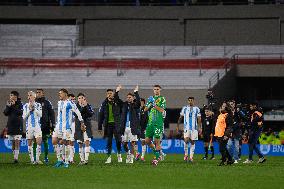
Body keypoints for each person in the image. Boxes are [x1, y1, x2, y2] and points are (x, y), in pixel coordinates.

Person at [52, 88, 85, 168]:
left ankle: (66, 161)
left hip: (66, 127)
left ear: (65, 94)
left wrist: (82, 123)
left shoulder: (70, 103)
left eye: (61, 93)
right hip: (58, 126)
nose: (59, 94)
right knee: (54, 141)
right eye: (59, 93)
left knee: (65, 143)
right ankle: (59, 160)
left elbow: (77, 112)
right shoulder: (59, 102)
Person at [98, 85, 123, 164]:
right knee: (109, 141)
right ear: (106, 94)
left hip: (117, 125)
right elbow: (100, 115)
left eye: (111, 93)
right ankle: (109, 157)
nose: (109, 94)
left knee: (118, 140)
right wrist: (99, 127)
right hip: (108, 125)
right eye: (108, 93)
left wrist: (117, 91)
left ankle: (119, 155)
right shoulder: (104, 104)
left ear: (113, 94)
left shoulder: (117, 102)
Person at [144, 85, 166, 166]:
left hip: (158, 122)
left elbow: (161, 110)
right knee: (147, 141)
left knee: (157, 141)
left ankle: (156, 159)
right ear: (153, 90)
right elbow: (145, 109)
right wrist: (149, 103)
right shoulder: (151, 98)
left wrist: (154, 104)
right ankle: (160, 153)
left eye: (157, 89)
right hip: (150, 123)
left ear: (160, 90)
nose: (156, 90)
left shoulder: (162, 99)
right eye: (155, 89)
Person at [177, 97, 201, 163]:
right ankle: (186, 154)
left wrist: (200, 127)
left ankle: (191, 157)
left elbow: (199, 119)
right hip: (186, 128)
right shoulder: (184, 108)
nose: (190, 101)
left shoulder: (197, 109)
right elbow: (180, 117)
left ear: (193, 101)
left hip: (194, 128)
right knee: (186, 140)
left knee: (192, 142)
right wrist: (177, 126)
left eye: (191, 100)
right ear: (188, 101)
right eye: (189, 100)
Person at [120, 86, 141, 164]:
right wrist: (117, 92)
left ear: (133, 98)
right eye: (127, 97)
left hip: (132, 127)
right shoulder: (124, 105)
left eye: (130, 97)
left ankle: (131, 158)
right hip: (124, 127)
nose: (128, 98)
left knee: (132, 143)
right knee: (124, 143)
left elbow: (138, 102)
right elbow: (117, 101)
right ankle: (128, 153)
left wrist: (136, 92)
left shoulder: (135, 106)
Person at [35, 88, 55, 164]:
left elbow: (52, 113)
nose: (38, 93)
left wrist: (53, 124)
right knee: (35, 142)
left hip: (45, 125)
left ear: (43, 94)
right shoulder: (33, 102)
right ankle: (35, 158)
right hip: (36, 125)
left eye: (39, 92)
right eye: (37, 92)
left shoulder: (47, 102)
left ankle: (46, 157)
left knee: (45, 141)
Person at [23, 91, 43, 164]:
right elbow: (23, 117)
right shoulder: (25, 106)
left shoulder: (38, 105)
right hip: (29, 127)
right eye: (28, 95)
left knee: (39, 142)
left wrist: (34, 109)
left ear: (34, 97)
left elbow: (40, 115)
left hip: (37, 126)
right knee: (29, 143)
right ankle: (32, 160)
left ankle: (37, 159)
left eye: (30, 95)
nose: (29, 96)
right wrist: (29, 110)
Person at [3, 91, 23, 163]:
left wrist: (14, 106)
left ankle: (16, 158)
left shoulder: (20, 104)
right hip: (10, 125)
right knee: (12, 143)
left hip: (18, 125)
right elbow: (5, 113)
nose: (10, 96)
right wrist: (8, 106)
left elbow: (20, 113)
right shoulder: (9, 103)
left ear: (15, 96)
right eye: (10, 95)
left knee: (17, 141)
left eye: (11, 95)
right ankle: (14, 156)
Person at [75, 93, 94, 165]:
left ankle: (86, 160)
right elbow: (76, 115)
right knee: (80, 143)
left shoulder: (88, 105)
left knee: (87, 141)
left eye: (82, 98)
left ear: (84, 98)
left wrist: (85, 107)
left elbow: (91, 114)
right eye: (79, 98)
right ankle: (82, 160)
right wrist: (83, 109)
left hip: (87, 125)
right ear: (78, 99)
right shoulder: (75, 106)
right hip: (78, 125)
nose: (80, 99)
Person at [214, 102, 233, 166]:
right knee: (223, 148)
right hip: (219, 134)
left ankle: (223, 161)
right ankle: (230, 159)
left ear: (226, 107)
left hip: (223, 135)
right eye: (222, 106)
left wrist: (226, 135)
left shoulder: (228, 115)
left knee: (221, 149)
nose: (222, 107)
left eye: (223, 106)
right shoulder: (220, 115)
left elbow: (229, 126)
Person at [67, 93, 76, 163]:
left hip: (73, 125)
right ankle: (64, 158)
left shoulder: (75, 107)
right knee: (65, 141)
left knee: (71, 141)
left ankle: (71, 158)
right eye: (71, 99)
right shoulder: (64, 106)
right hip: (65, 126)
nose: (73, 100)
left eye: (74, 99)